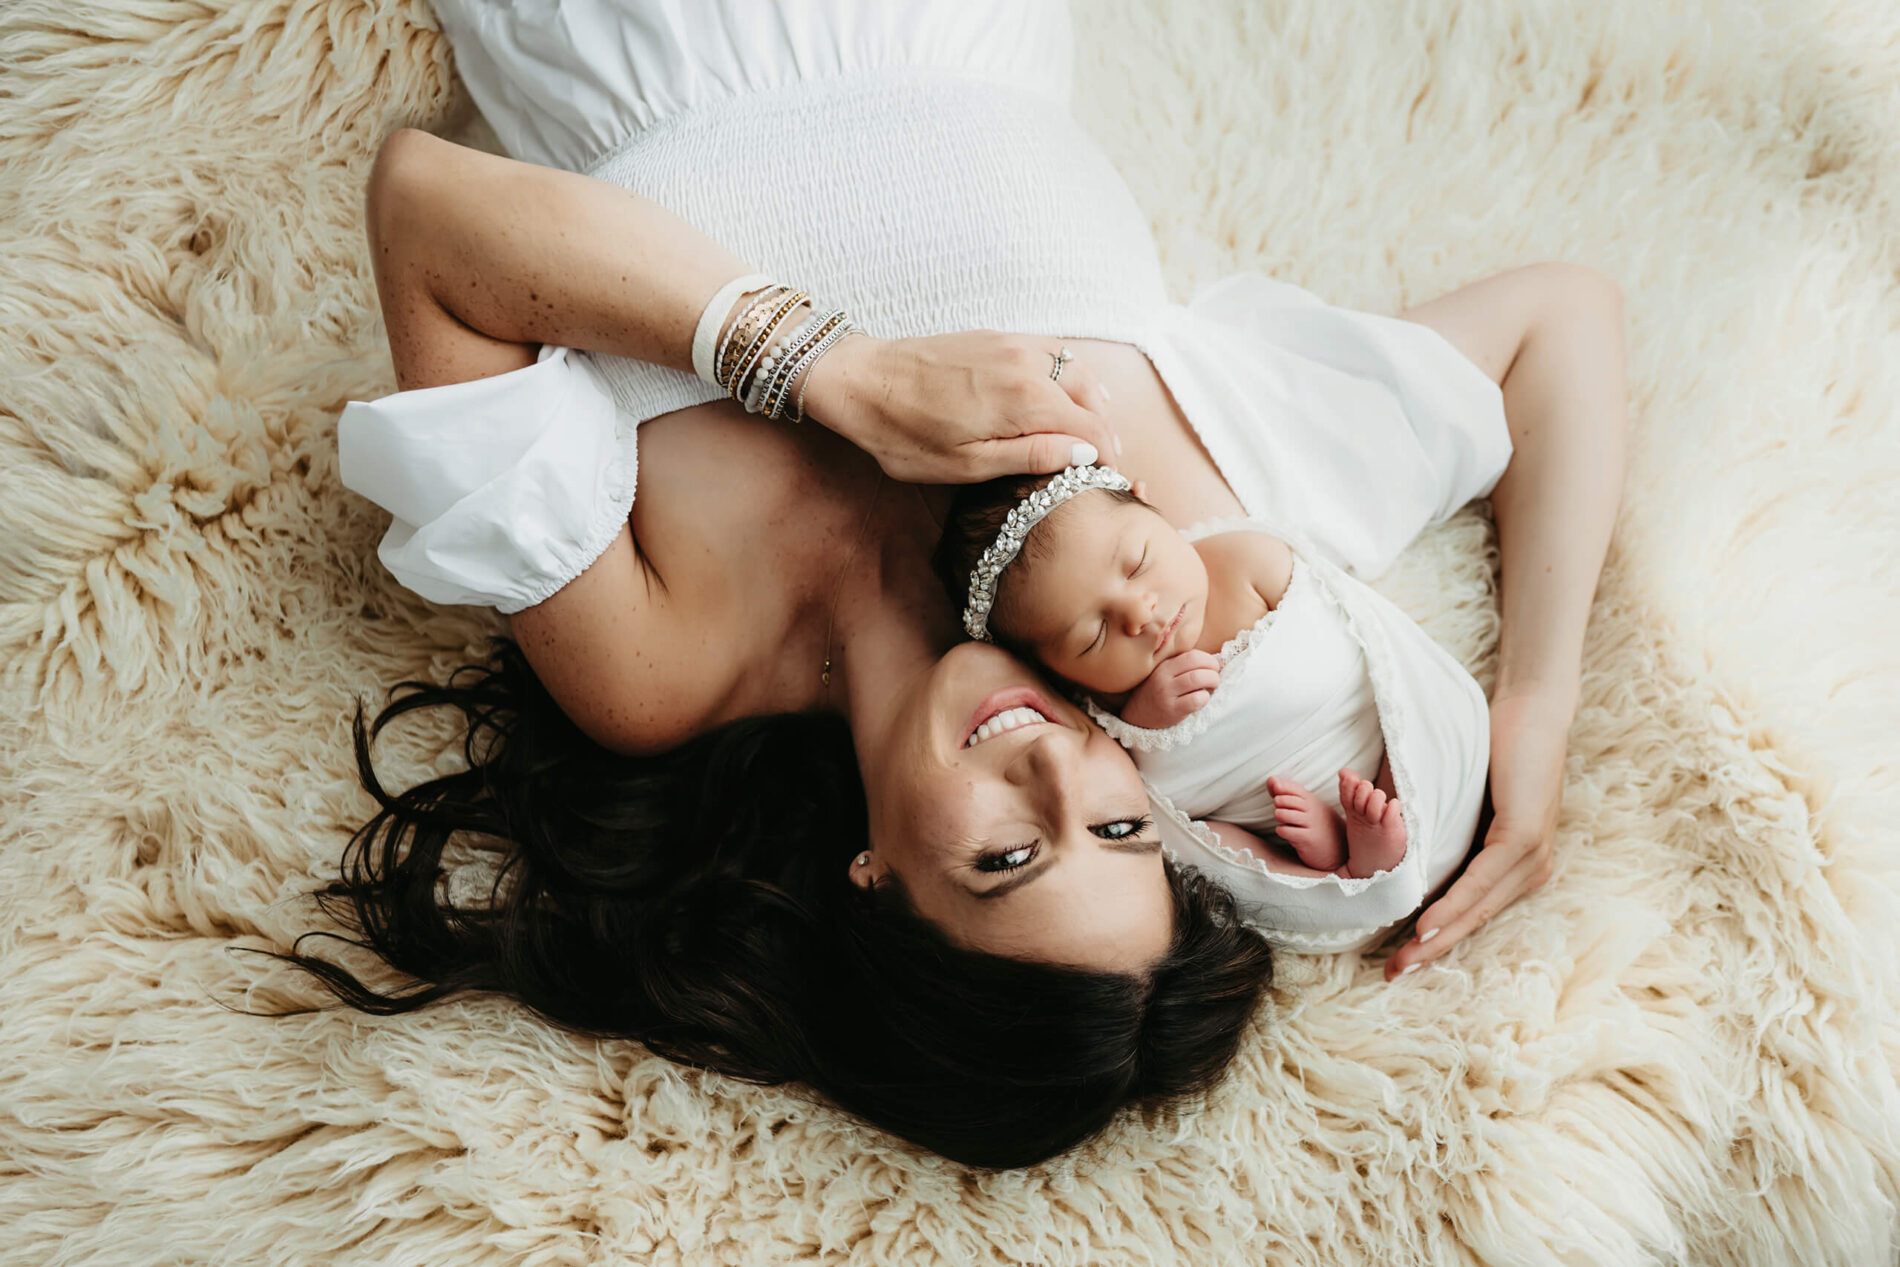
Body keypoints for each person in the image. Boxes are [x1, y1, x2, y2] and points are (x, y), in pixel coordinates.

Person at [296, 0, 1626, 1165]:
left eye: (1004, 854)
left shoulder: (661, 669)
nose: (1056, 771)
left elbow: (425, 208)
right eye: (1114, 830)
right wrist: (1537, 704)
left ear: (876, 883)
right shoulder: (1160, 545)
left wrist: (831, 372)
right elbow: (1561, 320)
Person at [933, 466, 1491, 951]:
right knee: (1212, 845)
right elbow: (1161, 800)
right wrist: (1145, 724)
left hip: (1372, 742)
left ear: (1151, 505)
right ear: (1057, 674)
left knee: (1401, 720)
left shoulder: (1244, 557)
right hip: (1266, 812)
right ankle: (1335, 864)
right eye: (1094, 634)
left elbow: (1355, 629)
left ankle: (1380, 825)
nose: (1140, 613)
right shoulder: (1106, 713)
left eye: (1137, 564)